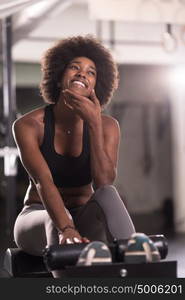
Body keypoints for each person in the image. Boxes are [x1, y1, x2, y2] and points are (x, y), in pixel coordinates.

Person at [12, 35, 135, 277]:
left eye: (91, 72)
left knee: (108, 193)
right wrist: (66, 228)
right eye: (74, 67)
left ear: (96, 87)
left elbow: (103, 182)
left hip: (84, 214)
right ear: (59, 78)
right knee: (53, 220)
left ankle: (137, 262)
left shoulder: (107, 126)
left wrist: (94, 124)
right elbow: (43, 182)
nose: (82, 74)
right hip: (38, 217)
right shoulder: (29, 125)